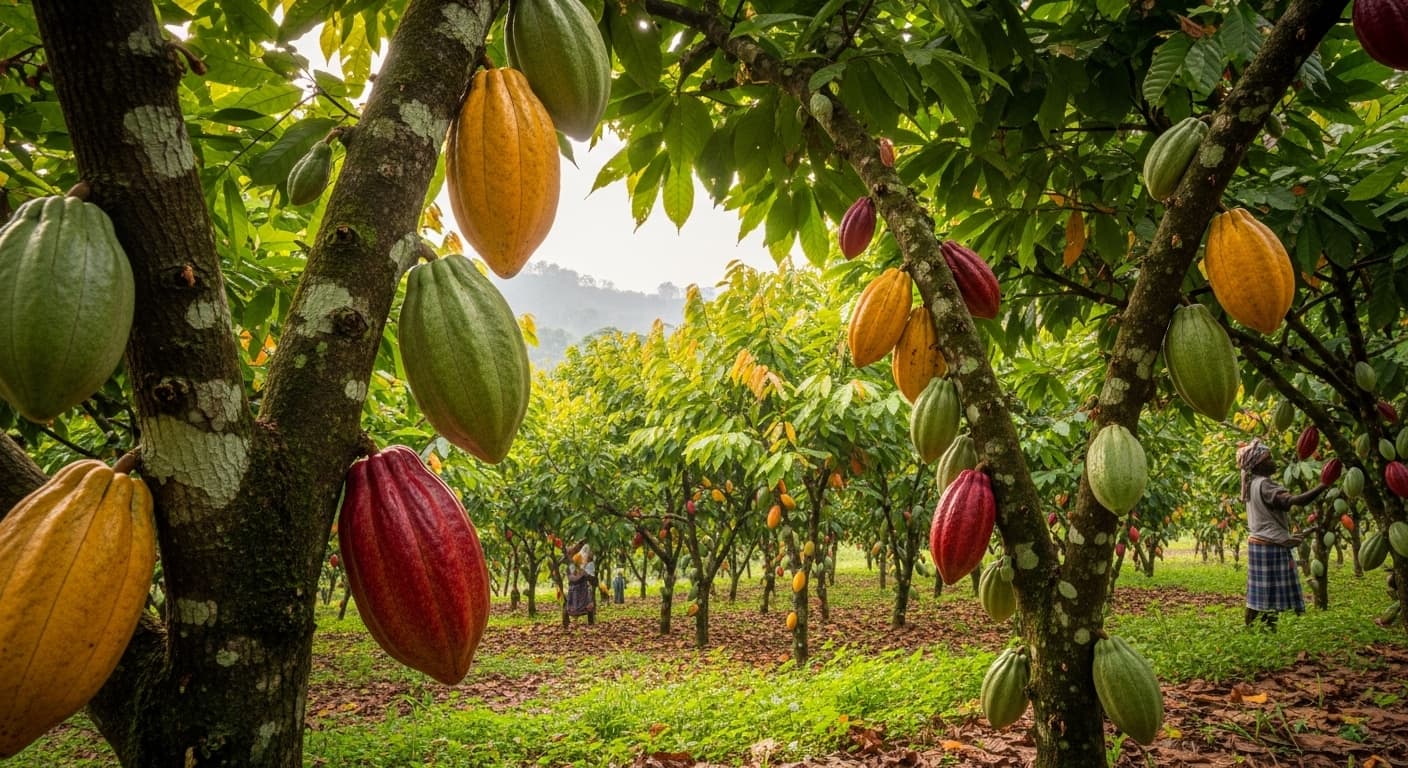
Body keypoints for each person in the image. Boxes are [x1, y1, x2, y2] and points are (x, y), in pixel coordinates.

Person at [1237, 439, 1328, 631]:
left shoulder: (1251, 483)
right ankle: (1265, 629)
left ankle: (1255, 629)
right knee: (1268, 591)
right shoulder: (1265, 485)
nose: (1273, 461)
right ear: (1258, 464)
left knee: (1259, 593)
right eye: (1268, 458)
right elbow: (1294, 502)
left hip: (1259, 542)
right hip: (1270, 544)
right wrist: (1324, 484)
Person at [563, 543, 596, 629]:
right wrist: (580, 575)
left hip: (583, 588)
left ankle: (591, 623)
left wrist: (585, 574)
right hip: (574, 590)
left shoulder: (586, 563)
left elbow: (591, 576)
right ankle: (566, 624)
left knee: (589, 605)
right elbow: (572, 578)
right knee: (568, 607)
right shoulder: (571, 565)